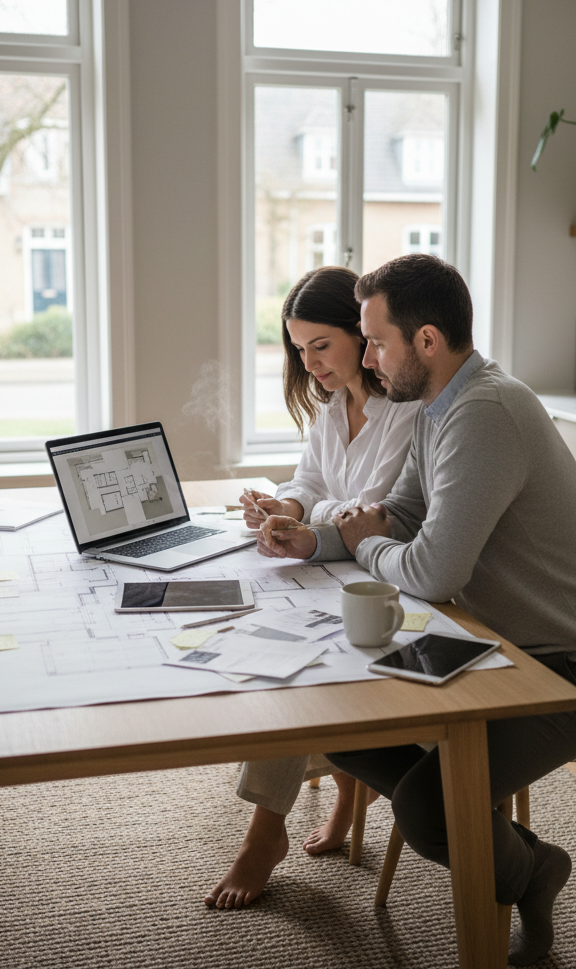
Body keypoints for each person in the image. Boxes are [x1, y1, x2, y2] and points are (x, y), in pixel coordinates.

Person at [257, 253, 576, 965]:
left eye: (374, 341)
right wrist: (314, 539)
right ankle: (480, 825)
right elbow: (399, 512)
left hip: (573, 676)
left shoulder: (485, 412)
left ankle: (534, 869)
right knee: (339, 723)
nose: (367, 357)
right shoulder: (438, 405)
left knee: (427, 813)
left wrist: (362, 547)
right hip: (495, 644)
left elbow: (430, 571)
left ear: (426, 341)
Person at [205, 265, 421, 910]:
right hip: (341, 566)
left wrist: (306, 517)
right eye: (299, 350)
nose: (311, 363)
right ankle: (348, 785)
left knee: (293, 665)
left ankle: (264, 833)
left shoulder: (403, 413)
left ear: (361, 333)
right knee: (259, 622)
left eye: (320, 345)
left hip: (391, 576)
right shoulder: (334, 407)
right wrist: (284, 505)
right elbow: (316, 485)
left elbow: (372, 509)